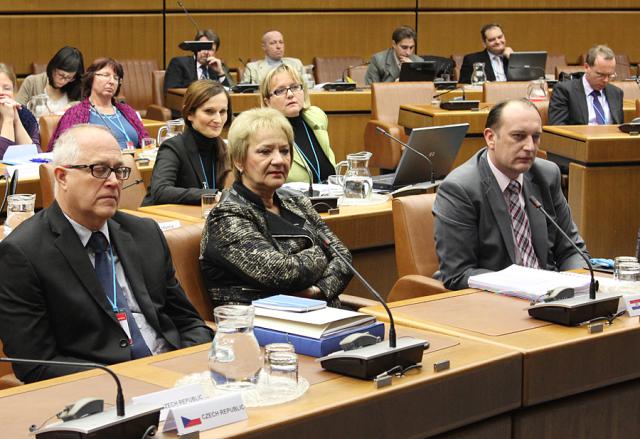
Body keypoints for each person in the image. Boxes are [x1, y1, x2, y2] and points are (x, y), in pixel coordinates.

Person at [0, 125, 213, 383]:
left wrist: (188, 368)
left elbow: (189, 322)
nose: (113, 181)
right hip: (103, 389)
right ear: (62, 176)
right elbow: (36, 363)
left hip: (177, 375)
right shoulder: (23, 253)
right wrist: (130, 379)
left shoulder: (144, 233)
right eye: (99, 170)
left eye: (119, 170)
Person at [200, 107, 352, 308]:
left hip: (319, 317)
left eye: (285, 150)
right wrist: (322, 253)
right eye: (265, 151)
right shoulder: (227, 216)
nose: (279, 160)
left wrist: (317, 291)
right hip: (261, 328)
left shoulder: (296, 202)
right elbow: (283, 273)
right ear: (239, 160)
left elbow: (344, 258)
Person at [433, 99, 587, 290]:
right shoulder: (459, 188)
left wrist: (573, 287)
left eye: (536, 137)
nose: (530, 147)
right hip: (494, 302)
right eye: (518, 136)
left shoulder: (547, 175)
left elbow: (572, 250)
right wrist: (526, 285)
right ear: (490, 138)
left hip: (551, 296)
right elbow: (458, 274)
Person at [142, 80, 233, 206]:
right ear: (190, 114)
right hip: (164, 220)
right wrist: (212, 194)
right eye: (209, 111)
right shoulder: (173, 147)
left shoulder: (224, 148)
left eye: (222, 112)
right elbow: (161, 191)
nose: (218, 119)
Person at [47, 57, 148, 151]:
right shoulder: (76, 113)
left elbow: (147, 144)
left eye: (116, 78)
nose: (112, 81)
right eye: (106, 75)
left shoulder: (127, 111)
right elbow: (62, 151)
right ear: (91, 79)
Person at [260, 64, 336, 183]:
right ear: (267, 102)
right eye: (280, 91)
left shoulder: (316, 117)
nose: (290, 94)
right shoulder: (264, 133)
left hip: (330, 196)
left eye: (295, 87)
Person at [164, 29, 235, 118]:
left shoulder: (218, 66)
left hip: (215, 112)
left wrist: (220, 73)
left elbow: (230, 92)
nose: (206, 52)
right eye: (203, 48)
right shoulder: (179, 63)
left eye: (210, 49)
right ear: (195, 48)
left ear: (215, 52)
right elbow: (170, 92)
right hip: (188, 111)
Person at [548, 45, 623, 125]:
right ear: (587, 67)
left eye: (610, 75)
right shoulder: (564, 91)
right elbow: (558, 127)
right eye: (600, 75)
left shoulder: (616, 93)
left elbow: (620, 128)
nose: (606, 80)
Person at [15, 46, 84, 113]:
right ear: (53, 68)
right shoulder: (32, 82)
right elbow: (17, 110)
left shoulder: (77, 89)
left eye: (69, 78)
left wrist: (72, 107)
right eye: (60, 75)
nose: (63, 80)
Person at [0, 63, 40, 159]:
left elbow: (35, 156)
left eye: (7, 88)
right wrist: (8, 120)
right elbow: (1, 158)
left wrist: (16, 119)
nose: (1, 92)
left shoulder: (23, 113)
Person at [241, 30, 305, 84]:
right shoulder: (252, 68)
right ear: (264, 47)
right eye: (273, 43)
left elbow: (307, 86)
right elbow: (247, 92)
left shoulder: (296, 63)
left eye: (281, 42)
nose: (278, 46)